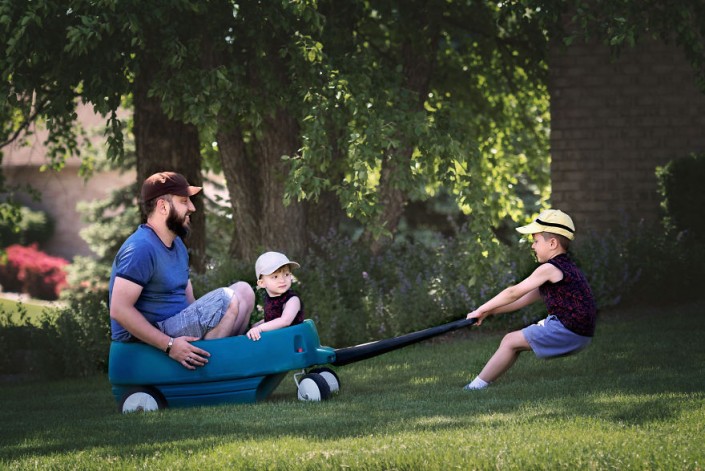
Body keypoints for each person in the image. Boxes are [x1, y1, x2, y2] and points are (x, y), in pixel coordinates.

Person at [109, 171, 255, 370]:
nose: (192, 208)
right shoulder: (140, 248)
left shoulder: (177, 245)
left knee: (244, 291)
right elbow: (119, 309)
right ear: (163, 206)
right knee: (226, 299)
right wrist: (169, 345)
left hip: (176, 325)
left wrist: (210, 323)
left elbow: (189, 302)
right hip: (148, 340)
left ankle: (222, 361)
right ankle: (211, 373)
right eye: (184, 201)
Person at [464, 209, 597, 390]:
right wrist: (488, 312)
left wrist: (480, 308)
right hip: (580, 333)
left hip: (568, 330)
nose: (532, 246)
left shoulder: (549, 269)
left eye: (536, 241)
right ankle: (478, 385)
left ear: (552, 243)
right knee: (512, 342)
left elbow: (513, 293)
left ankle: (473, 388)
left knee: (510, 341)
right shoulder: (566, 268)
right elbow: (521, 300)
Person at [246, 251, 305, 341]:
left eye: (286, 274)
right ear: (262, 283)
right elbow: (273, 318)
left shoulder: (292, 299)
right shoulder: (269, 299)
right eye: (275, 277)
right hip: (279, 340)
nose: (282, 280)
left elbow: (285, 321)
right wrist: (257, 325)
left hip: (295, 342)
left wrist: (260, 328)